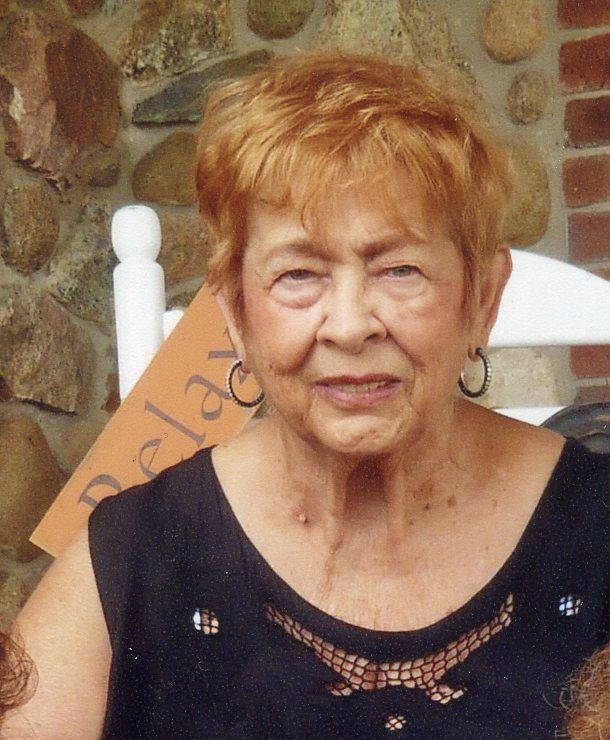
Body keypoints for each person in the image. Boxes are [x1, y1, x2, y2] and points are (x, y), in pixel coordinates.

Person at [4, 51, 609, 738]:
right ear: (235, 313)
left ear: (483, 299)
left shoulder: (596, 528)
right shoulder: (135, 558)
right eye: (298, 274)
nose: (349, 326)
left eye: (400, 269)